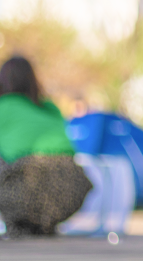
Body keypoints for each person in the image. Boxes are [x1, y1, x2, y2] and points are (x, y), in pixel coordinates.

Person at [0, 56, 92, 237]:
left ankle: (20, 223)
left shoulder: (4, 106)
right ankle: (35, 225)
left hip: (27, 182)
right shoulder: (50, 108)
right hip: (72, 184)